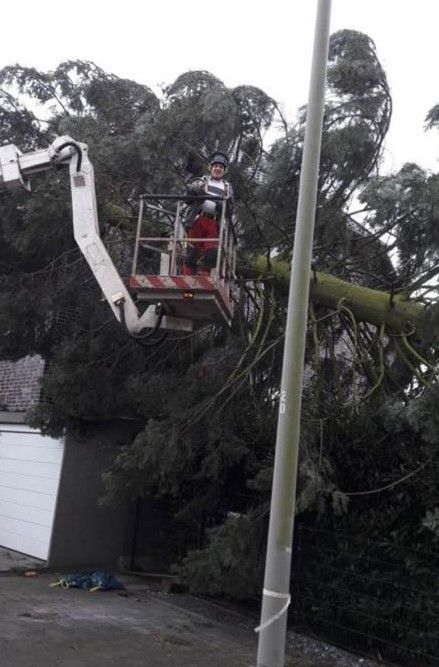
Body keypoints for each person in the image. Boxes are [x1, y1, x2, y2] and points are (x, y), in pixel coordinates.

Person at [182, 151, 234, 276]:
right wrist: (191, 194)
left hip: (215, 223)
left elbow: (231, 209)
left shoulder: (227, 188)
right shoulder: (201, 182)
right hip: (199, 219)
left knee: (212, 254)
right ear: (211, 168)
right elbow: (188, 198)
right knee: (191, 252)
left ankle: (203, 277)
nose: (218, 169)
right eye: (215, 166)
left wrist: (224, 207)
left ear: (224, 170)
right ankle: (187, 277)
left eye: (221, 167)